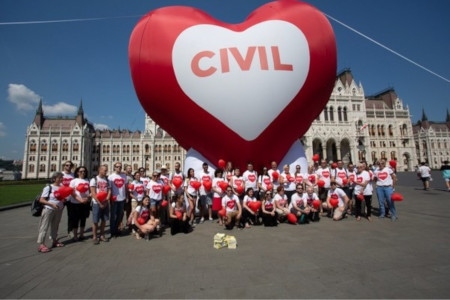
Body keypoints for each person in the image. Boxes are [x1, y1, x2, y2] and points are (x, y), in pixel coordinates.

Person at [36, 172, 65, 253]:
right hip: (49, 209)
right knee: (44, 226)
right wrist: (51, 204)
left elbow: (62, 197)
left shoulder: (62, 187)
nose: (61, 179)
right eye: (59, 178)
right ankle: (41, 244)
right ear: (54, 178)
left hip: (59, 209)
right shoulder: (49, 187)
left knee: (55, 226)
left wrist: (63, 200)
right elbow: (42, 199)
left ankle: (54, 240)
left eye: (62, 178)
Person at [68, 166, 91, 242]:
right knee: (75, 219)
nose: (83, 173)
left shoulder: (87, 181)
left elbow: (90, 192)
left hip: (85, 203)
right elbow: (72, 192)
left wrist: (87, 198)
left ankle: (81, 234)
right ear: (77, 172)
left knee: (83, 219)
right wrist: (80, 200)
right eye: (81, 171)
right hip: (75, 203)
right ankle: (75, 235)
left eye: (84, 171)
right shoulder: (74, 181)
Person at [90, 164, 111, 245]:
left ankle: (102, 235)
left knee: (104, 220)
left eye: (106, 170)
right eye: (105, 170)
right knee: (95, 221)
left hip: (105, 202)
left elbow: (109, 191)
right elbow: (93, 193)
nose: (106, 172)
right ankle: (95, 237)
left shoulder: (107, 180)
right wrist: (99, 203)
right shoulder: (94, 180)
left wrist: (106, 200)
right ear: (100, 170)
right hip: (96, 203)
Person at [108, 162, 128, 238]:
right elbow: (109, 188)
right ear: (114, 167)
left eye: (120, 167)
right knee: (113, 216)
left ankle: (117, 229)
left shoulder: (124, 176)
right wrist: (110, 197)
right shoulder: (111, 177)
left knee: (120, 215)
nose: (119, 168)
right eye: (117, 167)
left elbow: (126, 187)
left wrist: (126, 196)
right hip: (114, 199)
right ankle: (112, 231)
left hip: (122, 198)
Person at [61, 161, 75, 237]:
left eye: (70, 165)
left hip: (70, 198)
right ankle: (54, 232)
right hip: (61, 198)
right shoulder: (60, 174)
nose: (68, 167)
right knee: (57, 217)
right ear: (64, 166)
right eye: (67, 165)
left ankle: (70, 230)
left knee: (71, 215)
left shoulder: (73, 175)